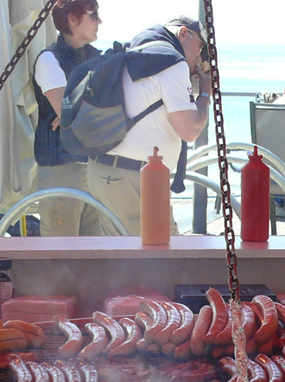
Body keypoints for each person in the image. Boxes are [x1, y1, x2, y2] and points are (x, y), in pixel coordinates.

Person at [85, 15, 210, 238]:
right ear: (183, 33)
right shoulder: (171, 61)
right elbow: (189, 130)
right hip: (134, 178)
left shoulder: (138, 52)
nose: (199, 55)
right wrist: (206, 95)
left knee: (123, 259)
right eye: (200, 45)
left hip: (107, 171)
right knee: (164, 258)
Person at [30, 0, 105, 235]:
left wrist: (74, 112)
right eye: (93, 15)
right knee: (59, 257)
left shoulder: (98, 59)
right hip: (61, 170)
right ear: (72, 19)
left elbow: (72, 114)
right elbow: (71, 113)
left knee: (95, 258)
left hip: (94, 168)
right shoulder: (49, 59)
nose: (99, 21)